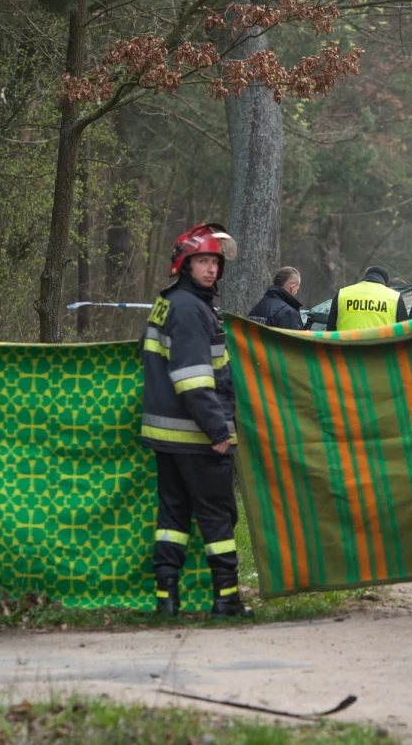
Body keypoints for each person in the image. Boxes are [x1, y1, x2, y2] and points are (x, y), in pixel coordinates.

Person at [140, 223, 251, 618]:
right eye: (203, 261)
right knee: (217, 517)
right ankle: (226, 601)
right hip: (197, 438)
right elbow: (193, 381)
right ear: (185, 264)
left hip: (167, 438)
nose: (211, 270)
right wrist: (218, 432)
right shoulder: (189, 309)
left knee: (172, 518)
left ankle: (166, 602)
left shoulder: (170, 302)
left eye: (215, 263)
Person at [326, 266, 409, 331]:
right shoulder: (394, 297)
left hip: (347, 350)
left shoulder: (343, 293)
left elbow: (330, 328)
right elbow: (405, 331)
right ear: (384, 281)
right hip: (382, 351)